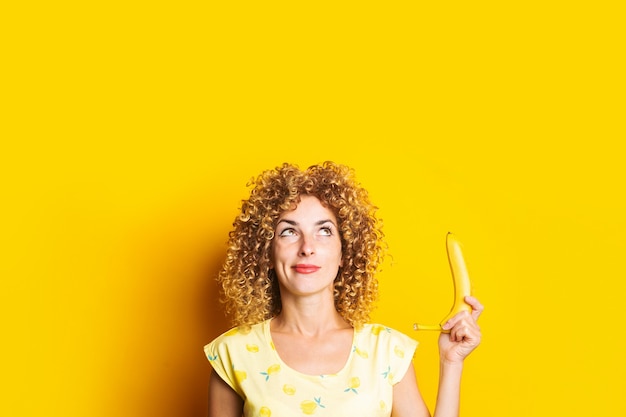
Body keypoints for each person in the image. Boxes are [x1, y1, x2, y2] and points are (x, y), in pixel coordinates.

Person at [204, 161, 483, 417]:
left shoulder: (385, 351)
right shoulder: (233, 353)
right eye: (289, 231)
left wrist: (451, 362)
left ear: (344, 254)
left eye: (324, 231)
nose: (307, 247)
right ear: (266, 253)